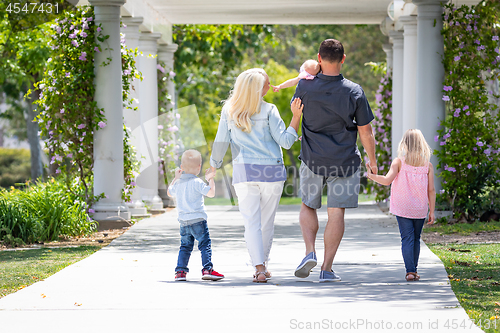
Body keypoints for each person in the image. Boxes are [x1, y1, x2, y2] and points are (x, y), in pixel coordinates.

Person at [292, 39, 377, 283]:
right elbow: (365, 131)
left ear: (319, 58)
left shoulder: (304, 87)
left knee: (308, 204)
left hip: (311, 157)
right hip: (345, 161)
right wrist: (372, 160)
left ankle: (310, 251)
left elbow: (296, 115)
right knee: (335, 211)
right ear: (343, 59)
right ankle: (326, 269)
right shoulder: (354, 90)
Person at [209, 68, 303, 283]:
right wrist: (295, 118)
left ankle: (259, 267)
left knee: (251, 222)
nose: (270, 87)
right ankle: (263, 266)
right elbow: (286, 142)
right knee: (266, 222)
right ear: (258, 89)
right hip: (271, 172)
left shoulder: (229, 110)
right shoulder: (270, 110)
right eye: (267, 84)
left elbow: (220, 142)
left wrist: (214, 166)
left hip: (244, 172)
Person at [366, 129, 436, 282]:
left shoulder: (398, 162)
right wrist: (432, 210)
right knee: (416, 238)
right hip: (420, 208)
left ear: (405, 143)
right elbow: (431, 190)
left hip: (403, 207)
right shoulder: (428, 166)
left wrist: (371, 176)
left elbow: (386, 180)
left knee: (407, 238)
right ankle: (414, 270)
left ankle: (410, 271)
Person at [168, 149, 224, 282]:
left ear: (181, 168)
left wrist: (176, 178)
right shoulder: (197, 182)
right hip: (198, 221)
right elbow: (210, 193)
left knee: (185, 246)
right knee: (204, 244)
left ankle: (180, 272)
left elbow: (169, 192)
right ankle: (207, 269)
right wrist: (210, 179)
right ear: (199, 167)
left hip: (183, 222)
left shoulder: (179, 183)